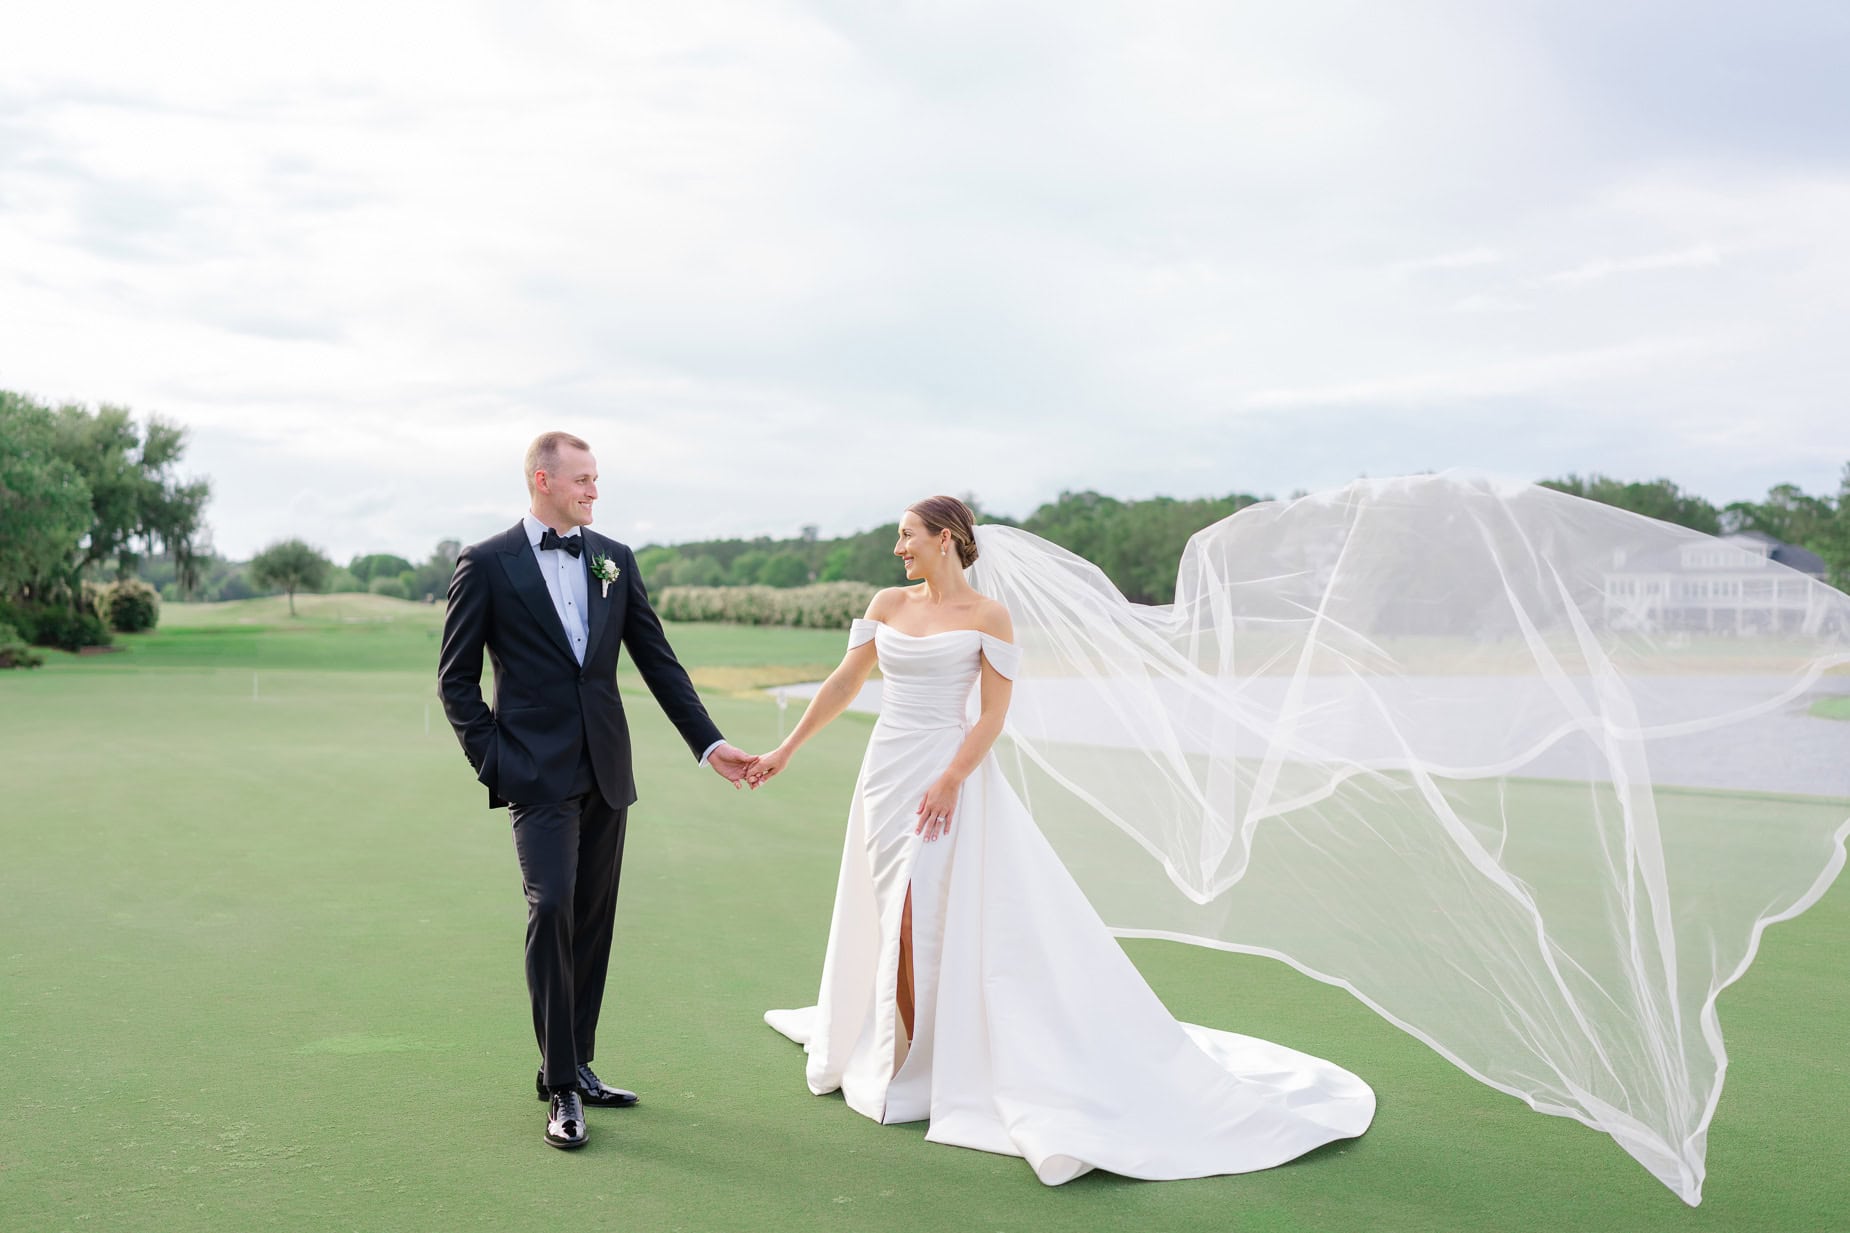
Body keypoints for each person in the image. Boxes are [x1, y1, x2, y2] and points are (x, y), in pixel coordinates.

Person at [748, 496, 1375, 1183]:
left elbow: (993, 715)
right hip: (886, 774)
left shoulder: (989, 617)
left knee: (918, 913)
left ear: (947, 539)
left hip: (945, 779)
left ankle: (921, 1065)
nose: (898, 547)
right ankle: (896, 1050)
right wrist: (786, 748)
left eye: (908, 535)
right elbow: (846, 680)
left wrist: (953, 776)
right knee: (886, 904)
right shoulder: (887, 603)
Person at [438, 430, 756, 1151]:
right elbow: (455, 681)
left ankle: (577, 1062)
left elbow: (658, 659)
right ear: (543, 480)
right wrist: (499, 761)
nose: (594, 490)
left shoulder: (615, 558)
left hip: (606, 768)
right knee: (549, 906)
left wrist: (709, 743)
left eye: (596, 479)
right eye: (582, 479)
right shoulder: (486, 563)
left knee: (590, 921)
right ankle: (558, 1086)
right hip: (534, 773)